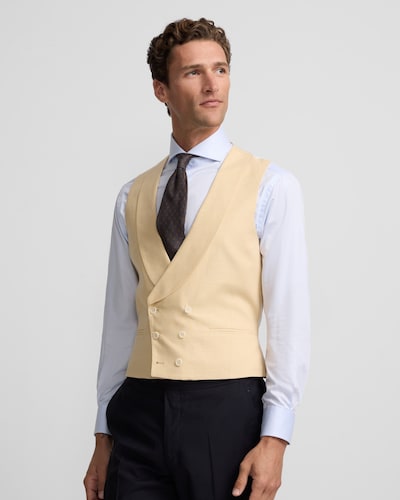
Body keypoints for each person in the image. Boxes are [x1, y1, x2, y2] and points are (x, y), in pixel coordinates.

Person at [84, 17, 310, 500]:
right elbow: (118, 322)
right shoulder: (131, 196)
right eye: (193, 72)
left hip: (226, 405)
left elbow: (289, 317)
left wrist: (276, 436)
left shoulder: (271, 186)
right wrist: (103, 432)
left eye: (221, 69)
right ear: (161, 90)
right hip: (138, 409)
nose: (212, 85)